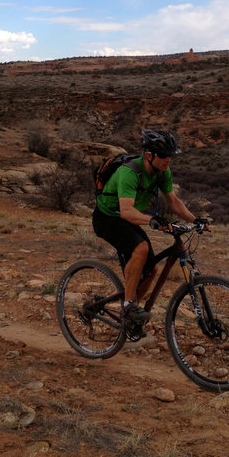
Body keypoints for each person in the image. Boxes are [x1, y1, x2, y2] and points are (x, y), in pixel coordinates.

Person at [92, 129, 206, 325]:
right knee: (141, 248)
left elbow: (174, 202)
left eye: (170, 154)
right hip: (107, 217)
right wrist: (152, 220)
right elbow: (126, 211)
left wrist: (195, 219)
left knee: (152, 269)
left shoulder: (163, 172)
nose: (168, 159)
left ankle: (132, 314)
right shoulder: (129, 172)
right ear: (148, 155)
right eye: (163, 155)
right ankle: (128, 306)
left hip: (127, 218)